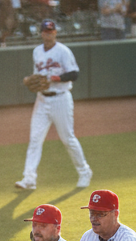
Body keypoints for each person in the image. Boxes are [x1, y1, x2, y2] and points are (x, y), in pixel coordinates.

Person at [15, 19, 91, 193]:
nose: (48, 35)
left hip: (60, 99)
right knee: (35, 139)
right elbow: (38, 76)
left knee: (68, 138)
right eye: (45, 32)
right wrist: (30, 79)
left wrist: (57, 79)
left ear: (55, 33)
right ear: (41, 33)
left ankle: (84, 171)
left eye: (51, 32)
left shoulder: (63, 51)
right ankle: (29, 179)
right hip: (42, 100)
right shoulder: (37, 51)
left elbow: (74, 73)